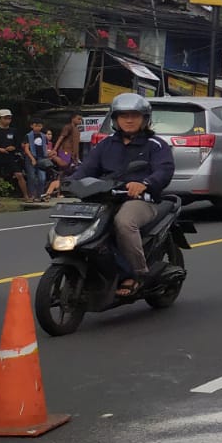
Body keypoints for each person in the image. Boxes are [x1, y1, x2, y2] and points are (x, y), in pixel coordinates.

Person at [74, 93, 175, 296]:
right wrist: (66, 181)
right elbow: (87, 168)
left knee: (123, 222)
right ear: (115, 119)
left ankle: (138, 273)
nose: (129, 120)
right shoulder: (106, 144)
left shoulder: (156, 145)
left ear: (145, 119)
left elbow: (164, 170)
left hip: (140, 201)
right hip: (105, 198)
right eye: (123, 116)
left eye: (134, 115)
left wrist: (145, 183)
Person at [0, 109, 28, 204]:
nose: (8, 120)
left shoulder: (13, 131)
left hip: (10, 156)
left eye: (9, 118)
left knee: (19, 174)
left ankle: (26, 196)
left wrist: (13, 147)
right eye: (5, 118)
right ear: (0, 119)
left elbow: (18, 144)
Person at [24, 117, 50, 202]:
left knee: (42, 177)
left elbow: (46, 147)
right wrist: (32, 158)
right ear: (32, 126)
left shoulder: (44, 136)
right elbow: (26, 148)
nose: (38, 127)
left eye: (40, 126)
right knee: (31, 177)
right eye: (36, 126)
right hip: (31, 157)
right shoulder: (28, 136)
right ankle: (31, 195)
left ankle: (40, 195)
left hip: (42, 158)